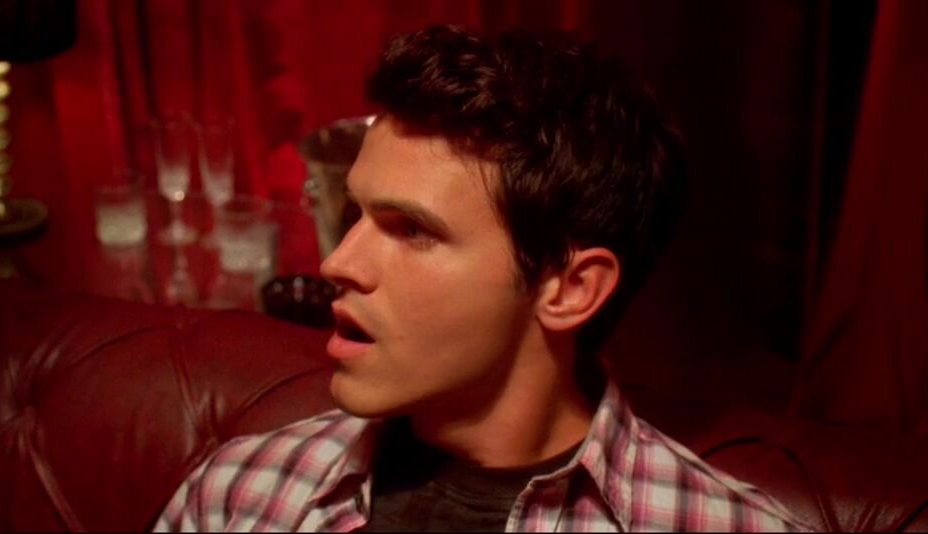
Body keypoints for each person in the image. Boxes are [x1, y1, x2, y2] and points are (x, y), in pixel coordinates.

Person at [155, 24, 805, 532]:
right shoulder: (240, 494)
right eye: (354, 214)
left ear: (570, 288)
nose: (338, 264)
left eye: (413, 230)